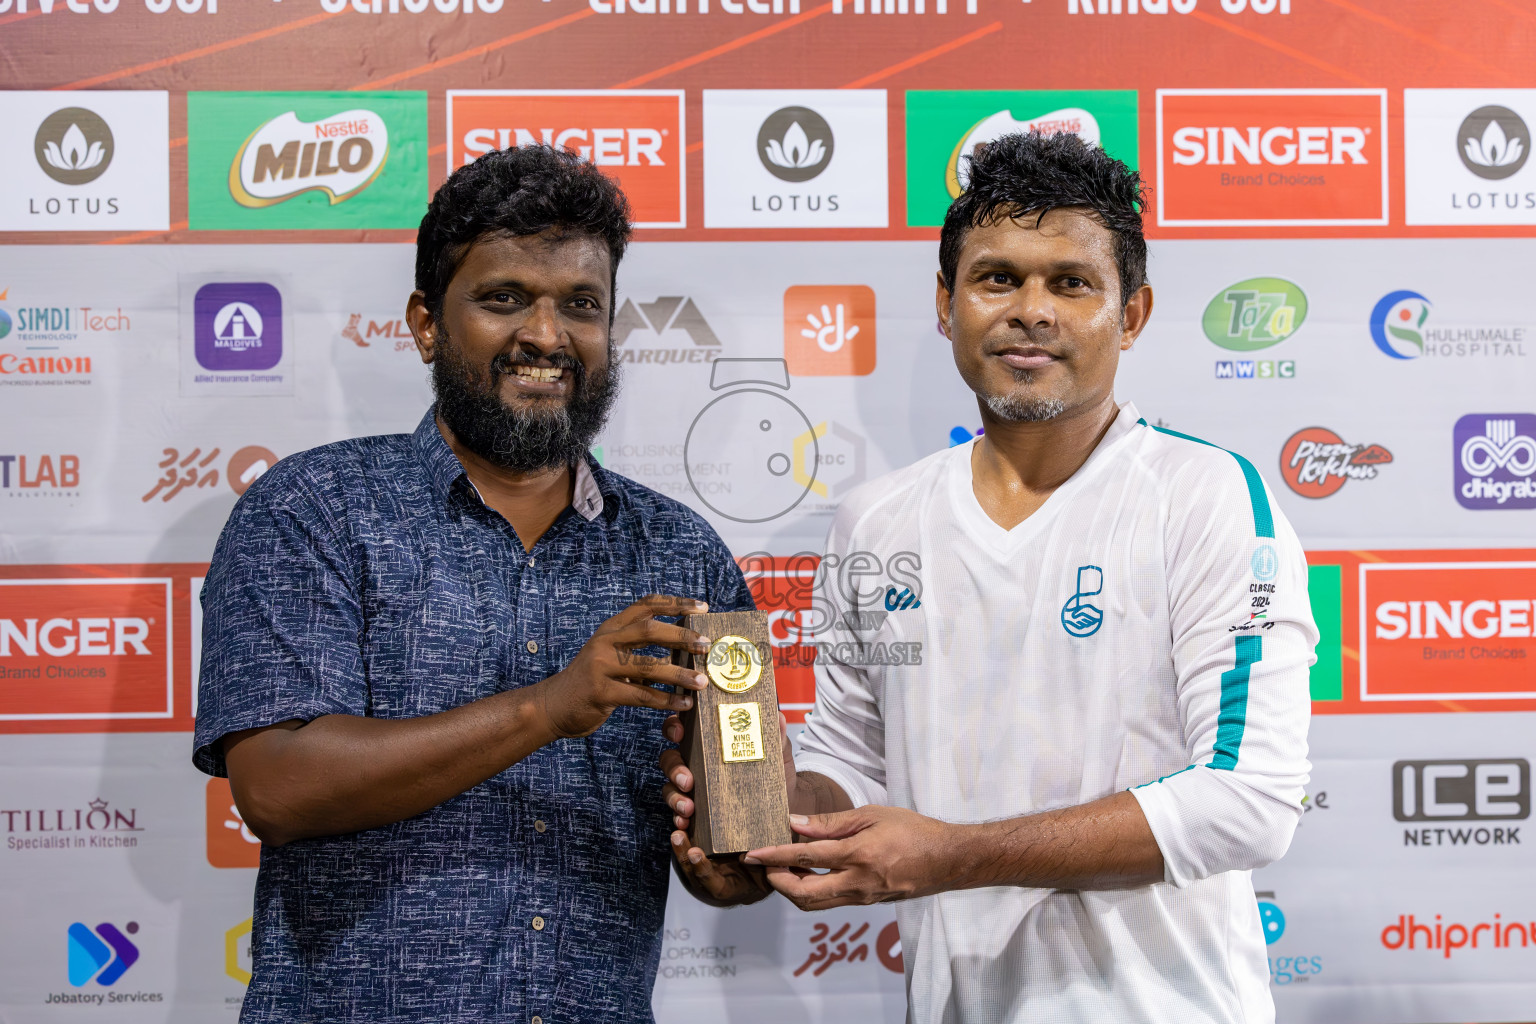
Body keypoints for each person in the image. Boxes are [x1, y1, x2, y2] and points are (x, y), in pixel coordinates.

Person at [665, 132, 1314, 1023]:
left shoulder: (1205, 498)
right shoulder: (877, 520)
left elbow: (1248, 802)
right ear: (947, 304)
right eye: (998, 278)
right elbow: (849, 758)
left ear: (1132, 314)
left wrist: (956, 854)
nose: (1031, 311)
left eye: (1071, 282)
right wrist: (768, 817)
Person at [193, 145, 768, 1024]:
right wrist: (548, 707)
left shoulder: (686, 552)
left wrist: (734, 864)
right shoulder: (312, 509)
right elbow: (276, 788)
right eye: (504, 299)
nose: (546, 335)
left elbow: (747, 814)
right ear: (427, 323)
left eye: (580, 305)